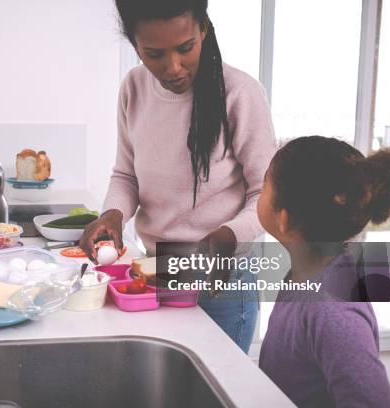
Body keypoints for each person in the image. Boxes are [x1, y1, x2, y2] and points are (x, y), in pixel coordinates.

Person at [80, 0, 276, 353]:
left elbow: (266, 193)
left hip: (221, 285)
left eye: (185, 48)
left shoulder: (240, 93)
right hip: (153, 273)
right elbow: (126, 175)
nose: (173, 68)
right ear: (134, 45)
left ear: (203, 29)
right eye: (154, 53)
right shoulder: (134, 88)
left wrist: (230, 234)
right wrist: (112, 214)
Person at [257, 136, 390, 407]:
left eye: (265, 183)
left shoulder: (334, 312)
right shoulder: (305, 274)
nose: (259, 189)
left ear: (284, 218)